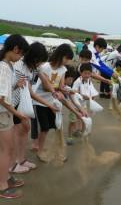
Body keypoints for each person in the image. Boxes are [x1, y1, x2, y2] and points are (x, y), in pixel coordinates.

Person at [10, 42, 59, 174]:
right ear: (33, 58)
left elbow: (44, 79)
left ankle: (21, 159)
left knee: (25, 130)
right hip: (14, 103)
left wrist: (53, 91)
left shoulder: (34, 68)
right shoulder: (20, 66)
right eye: (39, 61)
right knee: (17, 132)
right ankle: (13, 163)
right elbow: (30, 92)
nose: (40, 64)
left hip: (23, 103)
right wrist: (49, 105)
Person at [33, 44, 83, 160]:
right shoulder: (45, 67)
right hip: (40, 101)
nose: (66, 62)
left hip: (53, 101)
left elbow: (61, 86)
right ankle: (40, 152)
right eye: (66, 59)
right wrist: (58, 90)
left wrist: (67, 90)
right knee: (44, 128)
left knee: (56, 126)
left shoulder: (63, 69)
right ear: (60, 56)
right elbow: (46, 87)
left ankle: (57, 148)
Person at [0, 34, 29, 199]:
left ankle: (6, 177)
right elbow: (1, 98)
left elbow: (4, 90)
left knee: (7, 149)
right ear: (16, 49)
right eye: (21, 54)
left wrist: (15, 85)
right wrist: (18, 113)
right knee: (6, 150)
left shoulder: (7, 65)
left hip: (6, 112)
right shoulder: (3, 66)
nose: (20, 58)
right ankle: (2, 185)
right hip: (3, 113)